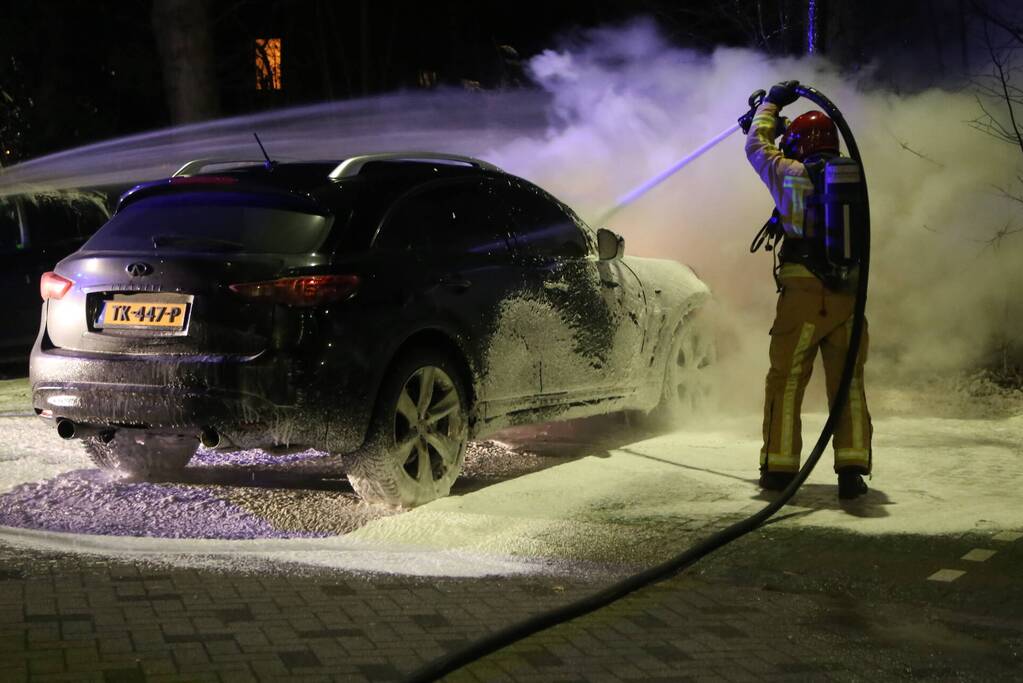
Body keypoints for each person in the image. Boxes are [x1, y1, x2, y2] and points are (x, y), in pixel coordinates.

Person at [745, 80, 872, 500]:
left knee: (786, 380)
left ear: (799, 144)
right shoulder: (850, 178)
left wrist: (770, 106)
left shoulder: (790, 175)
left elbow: (758, 148)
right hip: (848, 296)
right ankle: (852, 470)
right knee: (848, 382)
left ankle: (780, 470)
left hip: (803, 293)